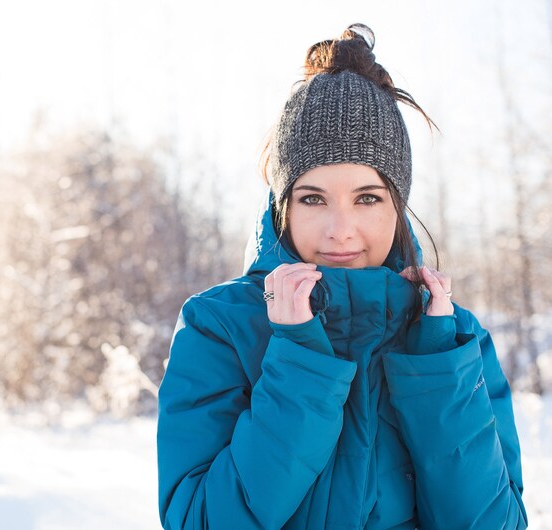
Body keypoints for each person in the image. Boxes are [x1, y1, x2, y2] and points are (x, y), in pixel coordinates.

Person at [156, 23, 528, 530]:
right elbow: (201, 522)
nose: (340, 231)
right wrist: (299, 364)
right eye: (312, 198)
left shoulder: (455, 341)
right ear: (283, 207)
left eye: (367, 198)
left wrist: (438, 372)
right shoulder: (221, 326)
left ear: (397, 205)